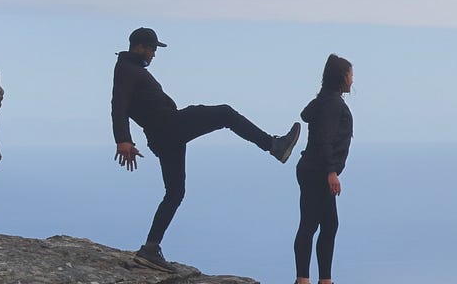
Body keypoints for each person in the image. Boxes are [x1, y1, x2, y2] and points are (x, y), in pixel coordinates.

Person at [111, 27, 303, 272]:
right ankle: (274, 146)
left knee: (175, 192)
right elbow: (118, 104)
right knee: (224, 113)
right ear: (139, 46)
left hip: (163, 136)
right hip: (169, 126)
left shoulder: (130, 69)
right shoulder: (127, 69)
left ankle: (150, 248)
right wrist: (123, 140)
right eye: (151, 48)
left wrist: (125, 138)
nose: (153, 54)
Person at [294, 54, 353, 284]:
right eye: (350, 75)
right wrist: (331, 172)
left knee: (326, 224)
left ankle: (321, 280)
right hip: (319, 172)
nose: (352, 80)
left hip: (311, 170)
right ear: (341, 77)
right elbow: (325, 138)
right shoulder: (334, 104)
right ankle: (305, 280)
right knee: (311, 224)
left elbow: (305, 114)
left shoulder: (325, 100)